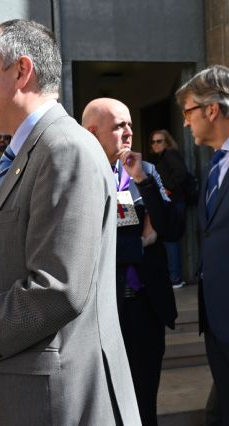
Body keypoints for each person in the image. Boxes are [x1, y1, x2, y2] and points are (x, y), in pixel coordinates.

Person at [0, 19, 140, 425]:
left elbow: (56, 290)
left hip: (55, 404)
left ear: (21, 71)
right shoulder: (31, 153)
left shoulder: (64, 149)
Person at [82, 98, 181, 426]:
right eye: (118, 126)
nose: (128, 131)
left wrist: (142, 182)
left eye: (129, 124)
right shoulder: (80, 175)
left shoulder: (146, 170)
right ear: (92, 131)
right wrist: (139, 242)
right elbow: (86, 243)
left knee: (144, 399)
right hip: (103, 308)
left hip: (146, 306)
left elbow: (171, 227)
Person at [176, 64, 229, 426]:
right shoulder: (214, 165)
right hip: (216, 321)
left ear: (212, 109)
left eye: (188, 111)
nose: (185, 122)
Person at [149, 129, 188, 288]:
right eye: (153, 141)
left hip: (174, 203)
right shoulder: (162, 157)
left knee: (171, 239)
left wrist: (168, 188)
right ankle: (174, 277)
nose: (156, 144)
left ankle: (175, 278)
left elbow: (181, 173)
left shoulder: (170, 154)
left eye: (160, 141)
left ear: (167, 142)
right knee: (169, 239)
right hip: (172, 203)